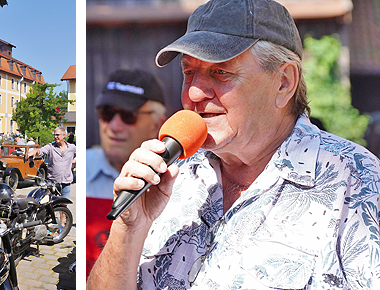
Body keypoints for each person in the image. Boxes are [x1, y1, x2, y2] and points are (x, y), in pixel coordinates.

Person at [87, 0, 380, 288]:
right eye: (189, 72)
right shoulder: (171, 173)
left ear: (284, 83)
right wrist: (128, 229)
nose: (195, 94)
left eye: (221, 72)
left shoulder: (357, 180)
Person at [84, 69, 167, 274]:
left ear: (158, 124)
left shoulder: (177, 183)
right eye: (107, 113)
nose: (114, 126)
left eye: (128, 116)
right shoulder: (81, 167)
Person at [26, 126, 75, 199]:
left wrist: (74, 160)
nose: (55, 137)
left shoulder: (72, 147)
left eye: (57, 135)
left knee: (63, 207)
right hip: (52, 184)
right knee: (51, 206)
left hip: (66, 183)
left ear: (63, 136)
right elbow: (41, 151)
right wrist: (34, 151)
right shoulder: (51, 147)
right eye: (54, 135)